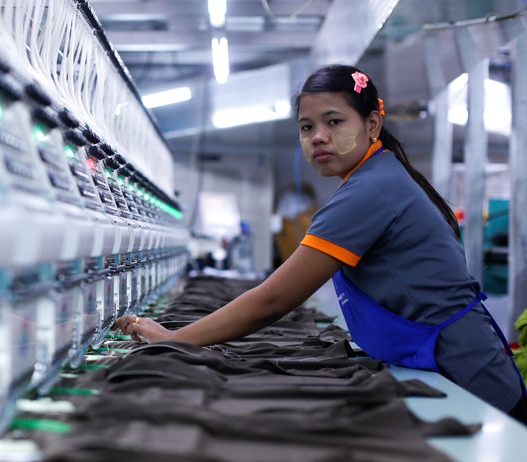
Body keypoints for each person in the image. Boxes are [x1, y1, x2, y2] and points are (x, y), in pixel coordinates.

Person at [115, 64, 527, 424]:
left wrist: (173, 339)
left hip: (470, 379)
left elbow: (273, 301)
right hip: (448, 366)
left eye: (334, 122)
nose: (318, 137)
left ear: (371, 125)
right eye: (307, 127)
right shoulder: (374, 179)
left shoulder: (372, 191)